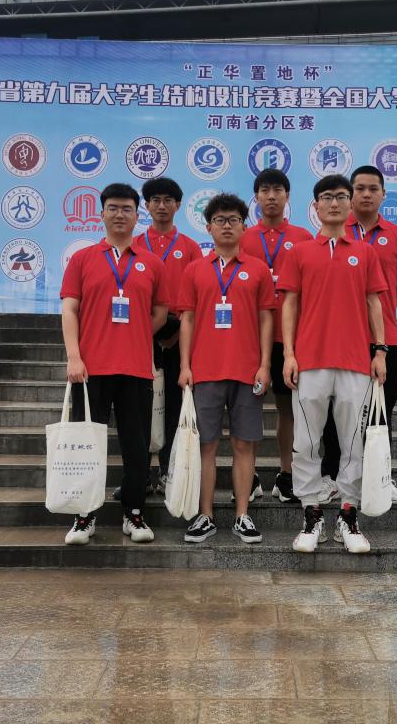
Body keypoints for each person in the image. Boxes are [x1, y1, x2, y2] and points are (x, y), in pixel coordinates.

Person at [277, 174, 387, 554]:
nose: (335, 203)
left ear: (350, 203)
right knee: (306, 443)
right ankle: (311, 515)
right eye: (327, 197)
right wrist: (289, 354)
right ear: (316, 206)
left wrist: (380, 351)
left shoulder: (365, 253)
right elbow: (289, 304)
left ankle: (348, 515)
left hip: (355, 362)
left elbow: (375, 303)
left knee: (353, 444)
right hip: (310, 361)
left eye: (341, 196)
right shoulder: (299, 252)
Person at [59, 183, 169, 545]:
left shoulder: (151, 263)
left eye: (126, 209)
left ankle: (133, 513)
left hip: (136, 369)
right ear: (102, 213)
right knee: (86, 445)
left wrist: (135, 334)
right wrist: (74, 356)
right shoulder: (83, 259)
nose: (119, 214)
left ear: (137, 216)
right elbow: (70, 309)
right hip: (90, 369)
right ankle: (84, 516)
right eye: (113, 208)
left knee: (136, 447)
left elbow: (160, 312)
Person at [177, 193, 274, 544]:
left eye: (234, 220)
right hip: (205, 371)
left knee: (244, 444)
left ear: (244, 226)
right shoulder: (194, 269)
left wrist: (264, 364)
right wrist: (185, 365)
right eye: (220, 220)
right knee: (206, 445)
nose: (227, 225)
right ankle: (205, 515)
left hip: (247, 371)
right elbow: (187, 319)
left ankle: (242, 515)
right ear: (209, 227)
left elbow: (266, 318)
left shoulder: (258, 269)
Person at [320, 165, 397, 505]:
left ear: (383, 194)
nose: (365, 194)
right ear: (350, 195)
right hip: (341, 339)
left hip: (383, 338)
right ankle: (332, 477)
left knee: (381, 410)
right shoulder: (334, 231)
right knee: (336, 412)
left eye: (373, 189)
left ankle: (380, 478)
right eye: (359, 188)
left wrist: (379, 316)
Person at [239, 169, 314, 504]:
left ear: (287, 196)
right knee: (247, 408)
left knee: (288, 409)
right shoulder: (242, 237)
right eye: (265, 190)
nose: (271, 196)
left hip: (289, 338)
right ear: (256, 197)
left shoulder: (303, 237)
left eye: (278, 190)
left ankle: (286, 474)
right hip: (247, 336)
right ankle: (249, 475)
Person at [130, 177, 202, 494]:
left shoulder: (190, 248)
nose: (161, 206)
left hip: (178, 334)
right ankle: (141, 473)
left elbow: (200, 296)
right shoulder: (133, 245)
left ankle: (168, 471)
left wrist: (179, 335)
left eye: (168, 200)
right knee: (139, 406)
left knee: (173, 404)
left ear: (178, 205)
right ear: (146, 205)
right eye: (155, 200)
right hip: (139, 333)